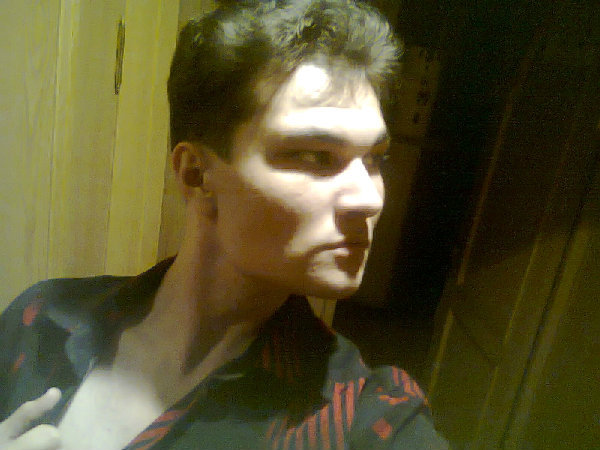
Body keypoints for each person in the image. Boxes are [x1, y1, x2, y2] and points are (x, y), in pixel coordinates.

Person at [0, 0, 448, 448]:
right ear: (196, 175)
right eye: (314, 156)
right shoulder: (39, 319)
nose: (369, 198)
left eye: (374, 159)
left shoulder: (367, 420)